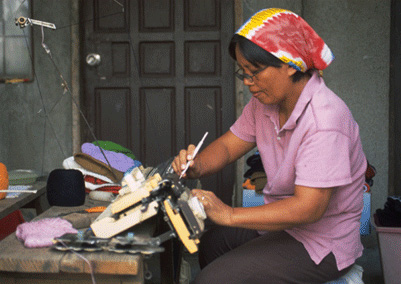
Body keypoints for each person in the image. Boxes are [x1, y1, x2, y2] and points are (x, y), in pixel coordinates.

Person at [172, 8, 366, 284]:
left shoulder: (325, 119)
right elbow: (228, 147)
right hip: (287, 227)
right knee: (212, 243)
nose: (249, 83)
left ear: (290, 63)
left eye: (255, 72)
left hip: (322, 241)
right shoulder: (265, 103)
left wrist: (229, 214)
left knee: (211, 280)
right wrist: (197, 165)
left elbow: (308, 209)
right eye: (244, 73)